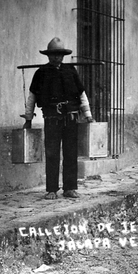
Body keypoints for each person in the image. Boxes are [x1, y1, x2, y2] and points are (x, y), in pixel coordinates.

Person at [21, 38, 93, 199]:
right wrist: (28, 119)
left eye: (59, 55)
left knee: (70, 152)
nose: (56, 58)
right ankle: (51, 189)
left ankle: (70, 188)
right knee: (52, 153)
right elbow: (32, 97)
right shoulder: (41, 73)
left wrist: (88, 115)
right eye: (53, 55)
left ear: (63, 56)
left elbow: (81, 94)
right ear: (48, 56)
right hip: (52, 119)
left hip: (71, 118)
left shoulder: (71, 71)